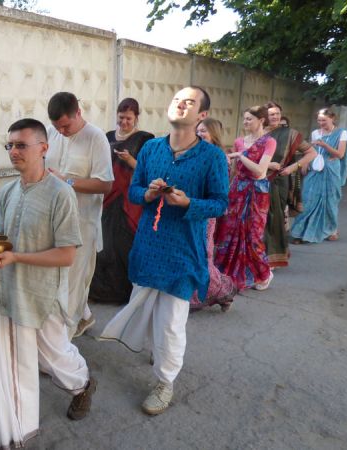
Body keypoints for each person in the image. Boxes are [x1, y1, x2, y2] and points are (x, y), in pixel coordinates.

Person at [98, 86, 229, 415]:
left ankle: (165, 381)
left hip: (183, 250)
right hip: (148, 245)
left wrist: (188, 202)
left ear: (201, 115)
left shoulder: (211, 157)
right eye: (176, 100)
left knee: (171, 321)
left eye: (189, 102)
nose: (180, 104)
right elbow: (134, 191)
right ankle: (160, 351)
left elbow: (220, 203)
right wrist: (149, 194)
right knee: (147, 305)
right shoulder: (151, 148)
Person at [0, 118, 96, 449]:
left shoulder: (61, 194)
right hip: (5, 291)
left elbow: (66, 255)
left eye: (21, 145)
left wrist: (16, 257)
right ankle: (9, 433)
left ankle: (83, 384)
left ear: (43, 148)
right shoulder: (8, 191)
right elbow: (6, 239)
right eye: (10, 145)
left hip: (41, 295)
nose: (13, 151)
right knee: (7, 367)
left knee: (54, 357)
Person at [45, 92, 114, 337]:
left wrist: (67, 181)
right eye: (57, 127)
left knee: (73, 279)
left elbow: (105, 184)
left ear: (78, 113)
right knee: (55, 277)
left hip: (81, 221)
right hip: (52, 218)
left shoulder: (96, 137)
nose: (61, 131)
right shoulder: (51, 133)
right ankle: (82, 316)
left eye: (66, 126)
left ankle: (63, 338)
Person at [89, 98, 154, 305]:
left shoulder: (145, 139)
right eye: (121, 118)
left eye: (128, 119)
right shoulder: (107, 136)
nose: (124, 122)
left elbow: (150, 171)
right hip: (108, 196)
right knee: (104, 243)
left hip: (129, 199)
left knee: (125, 243)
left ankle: (125, 292)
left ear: (136, 118)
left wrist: (130, 160)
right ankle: (101, 290)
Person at [214, 106, 276, 292]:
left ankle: (263, 274)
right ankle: (229, 275)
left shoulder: (269, 141)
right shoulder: (239, 141)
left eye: (249, 119)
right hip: (237, 190)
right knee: (230, 232)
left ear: (261, 120)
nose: (245, 122)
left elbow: (260, 171)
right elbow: (235, 170)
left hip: (257, 191)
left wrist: (241, 156)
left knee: (253, 235)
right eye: (245, 118)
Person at [262, 102, 316, 269]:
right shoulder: (259, 132)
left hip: (278, 180)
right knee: (257, 218)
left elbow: (312, 152)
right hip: (257, 179)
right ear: (264, 116)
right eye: (271, 114)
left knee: (273, 218)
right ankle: (256, 256)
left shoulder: (290, 134)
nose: (275, 117)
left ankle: (271, 257)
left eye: (277, 113)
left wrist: (293, 167)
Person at [189, 118, 235, 311]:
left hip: (206, 211)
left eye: (204, 131)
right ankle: (193, 295)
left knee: (202, 254)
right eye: (198, 130)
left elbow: (219, 191)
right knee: (190, 253)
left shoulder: (219, 157)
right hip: (189, 208)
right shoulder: (192, 152)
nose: (199, 134)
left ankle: (220, 291)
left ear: (213, 134)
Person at [291, 108, 347, 243]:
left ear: (332, 118)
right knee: (308, 199)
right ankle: (300, 232)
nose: (321, 123)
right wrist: (305, 163)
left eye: (324, 120)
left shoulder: (342, 133)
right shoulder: (315, 133)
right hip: (315, 169)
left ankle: (331, 230)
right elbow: (312, 151)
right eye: (319, 120)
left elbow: (340, 154)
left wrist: (325, 145)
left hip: (332, 171)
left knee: (330, 201)